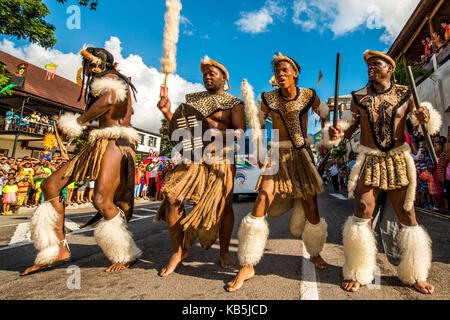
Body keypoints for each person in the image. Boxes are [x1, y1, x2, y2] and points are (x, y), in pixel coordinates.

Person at [328, 50, 440, 294]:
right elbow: (347, 126)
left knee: (407, 214)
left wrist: (425, 116)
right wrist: (336, 132)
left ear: (390, 69)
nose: (370, 67)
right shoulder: (358, 97)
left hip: (398, 160)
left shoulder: (406, 94)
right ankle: (358, 271)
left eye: (376, 64)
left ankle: (416, 273)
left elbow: (419, 122)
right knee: (362, 211)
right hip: (369, 160)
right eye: (368, 64)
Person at [22, 47, 141, 276]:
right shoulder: (113, 80)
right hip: (101, 140)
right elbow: (122, 108)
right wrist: (94, 127)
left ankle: (125, 253)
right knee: (50, 185)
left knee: (101, 200)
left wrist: (78, 122)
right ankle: (58, 248)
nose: (84, 69)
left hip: (116, 142)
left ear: (94, 64)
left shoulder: (111, 79)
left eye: (85, 65)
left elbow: (109, 100)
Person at [227, 53, 329, 292]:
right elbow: (259, 126)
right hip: (276, 153)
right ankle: (248, 263)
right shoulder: (268, 98)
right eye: (277, 70)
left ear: (294, 72)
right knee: (262, 197)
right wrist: (261, 150)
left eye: (285, 70)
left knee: (311, 206)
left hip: (301, 155)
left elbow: (324, 115)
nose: (280, 74)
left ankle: (314, 253)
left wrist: (325, 138)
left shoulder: (309, 94)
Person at [155, 55, 246, 277]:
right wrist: (167, 112)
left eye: (212, 73)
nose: (207, 76)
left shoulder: (233, 103)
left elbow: (241, 133)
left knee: (224, 206)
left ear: (224, 78)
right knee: (172, 197)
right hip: (194, 157)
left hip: (222, 157)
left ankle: (224, 252)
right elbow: (180, 130)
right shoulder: (193, 101)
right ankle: (179, 251)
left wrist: (215, 135)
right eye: (205, 74)